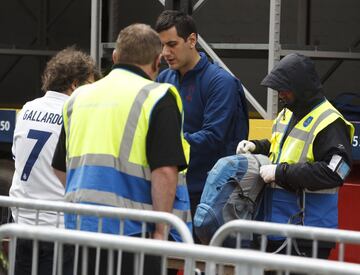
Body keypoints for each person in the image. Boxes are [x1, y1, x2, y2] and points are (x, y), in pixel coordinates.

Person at [52, 23, 192, 275]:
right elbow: (165, 172)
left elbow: (60, 168)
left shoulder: (78, 97)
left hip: (79, 228)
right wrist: (161, 230)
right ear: (157, 61)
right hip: (133, 234)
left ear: (115, 57)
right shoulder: (158, 97)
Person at [237, 53, 354, 259]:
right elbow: (278, 148)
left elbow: (335, 172)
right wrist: (256, 146)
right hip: (279, 227)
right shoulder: (289, 112)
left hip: (309, 232)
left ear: (301, 87)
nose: (280, 94)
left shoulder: (330, 121)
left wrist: (280, 172)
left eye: (284, 89)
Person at [155, 10, 249, 233]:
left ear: (192, 40)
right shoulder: (164, 79)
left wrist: (164, 146)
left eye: (172, 44)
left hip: (207, 196)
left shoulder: (221, 82)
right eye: (162, 46)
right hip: (170, 189)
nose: (165, 53)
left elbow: (214, 136)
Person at [9, 47, 98, 275]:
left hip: (22, 221)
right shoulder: (75, 113)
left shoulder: (27, 109)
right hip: (57, 226)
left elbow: (16, 156)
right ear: (75, 85)